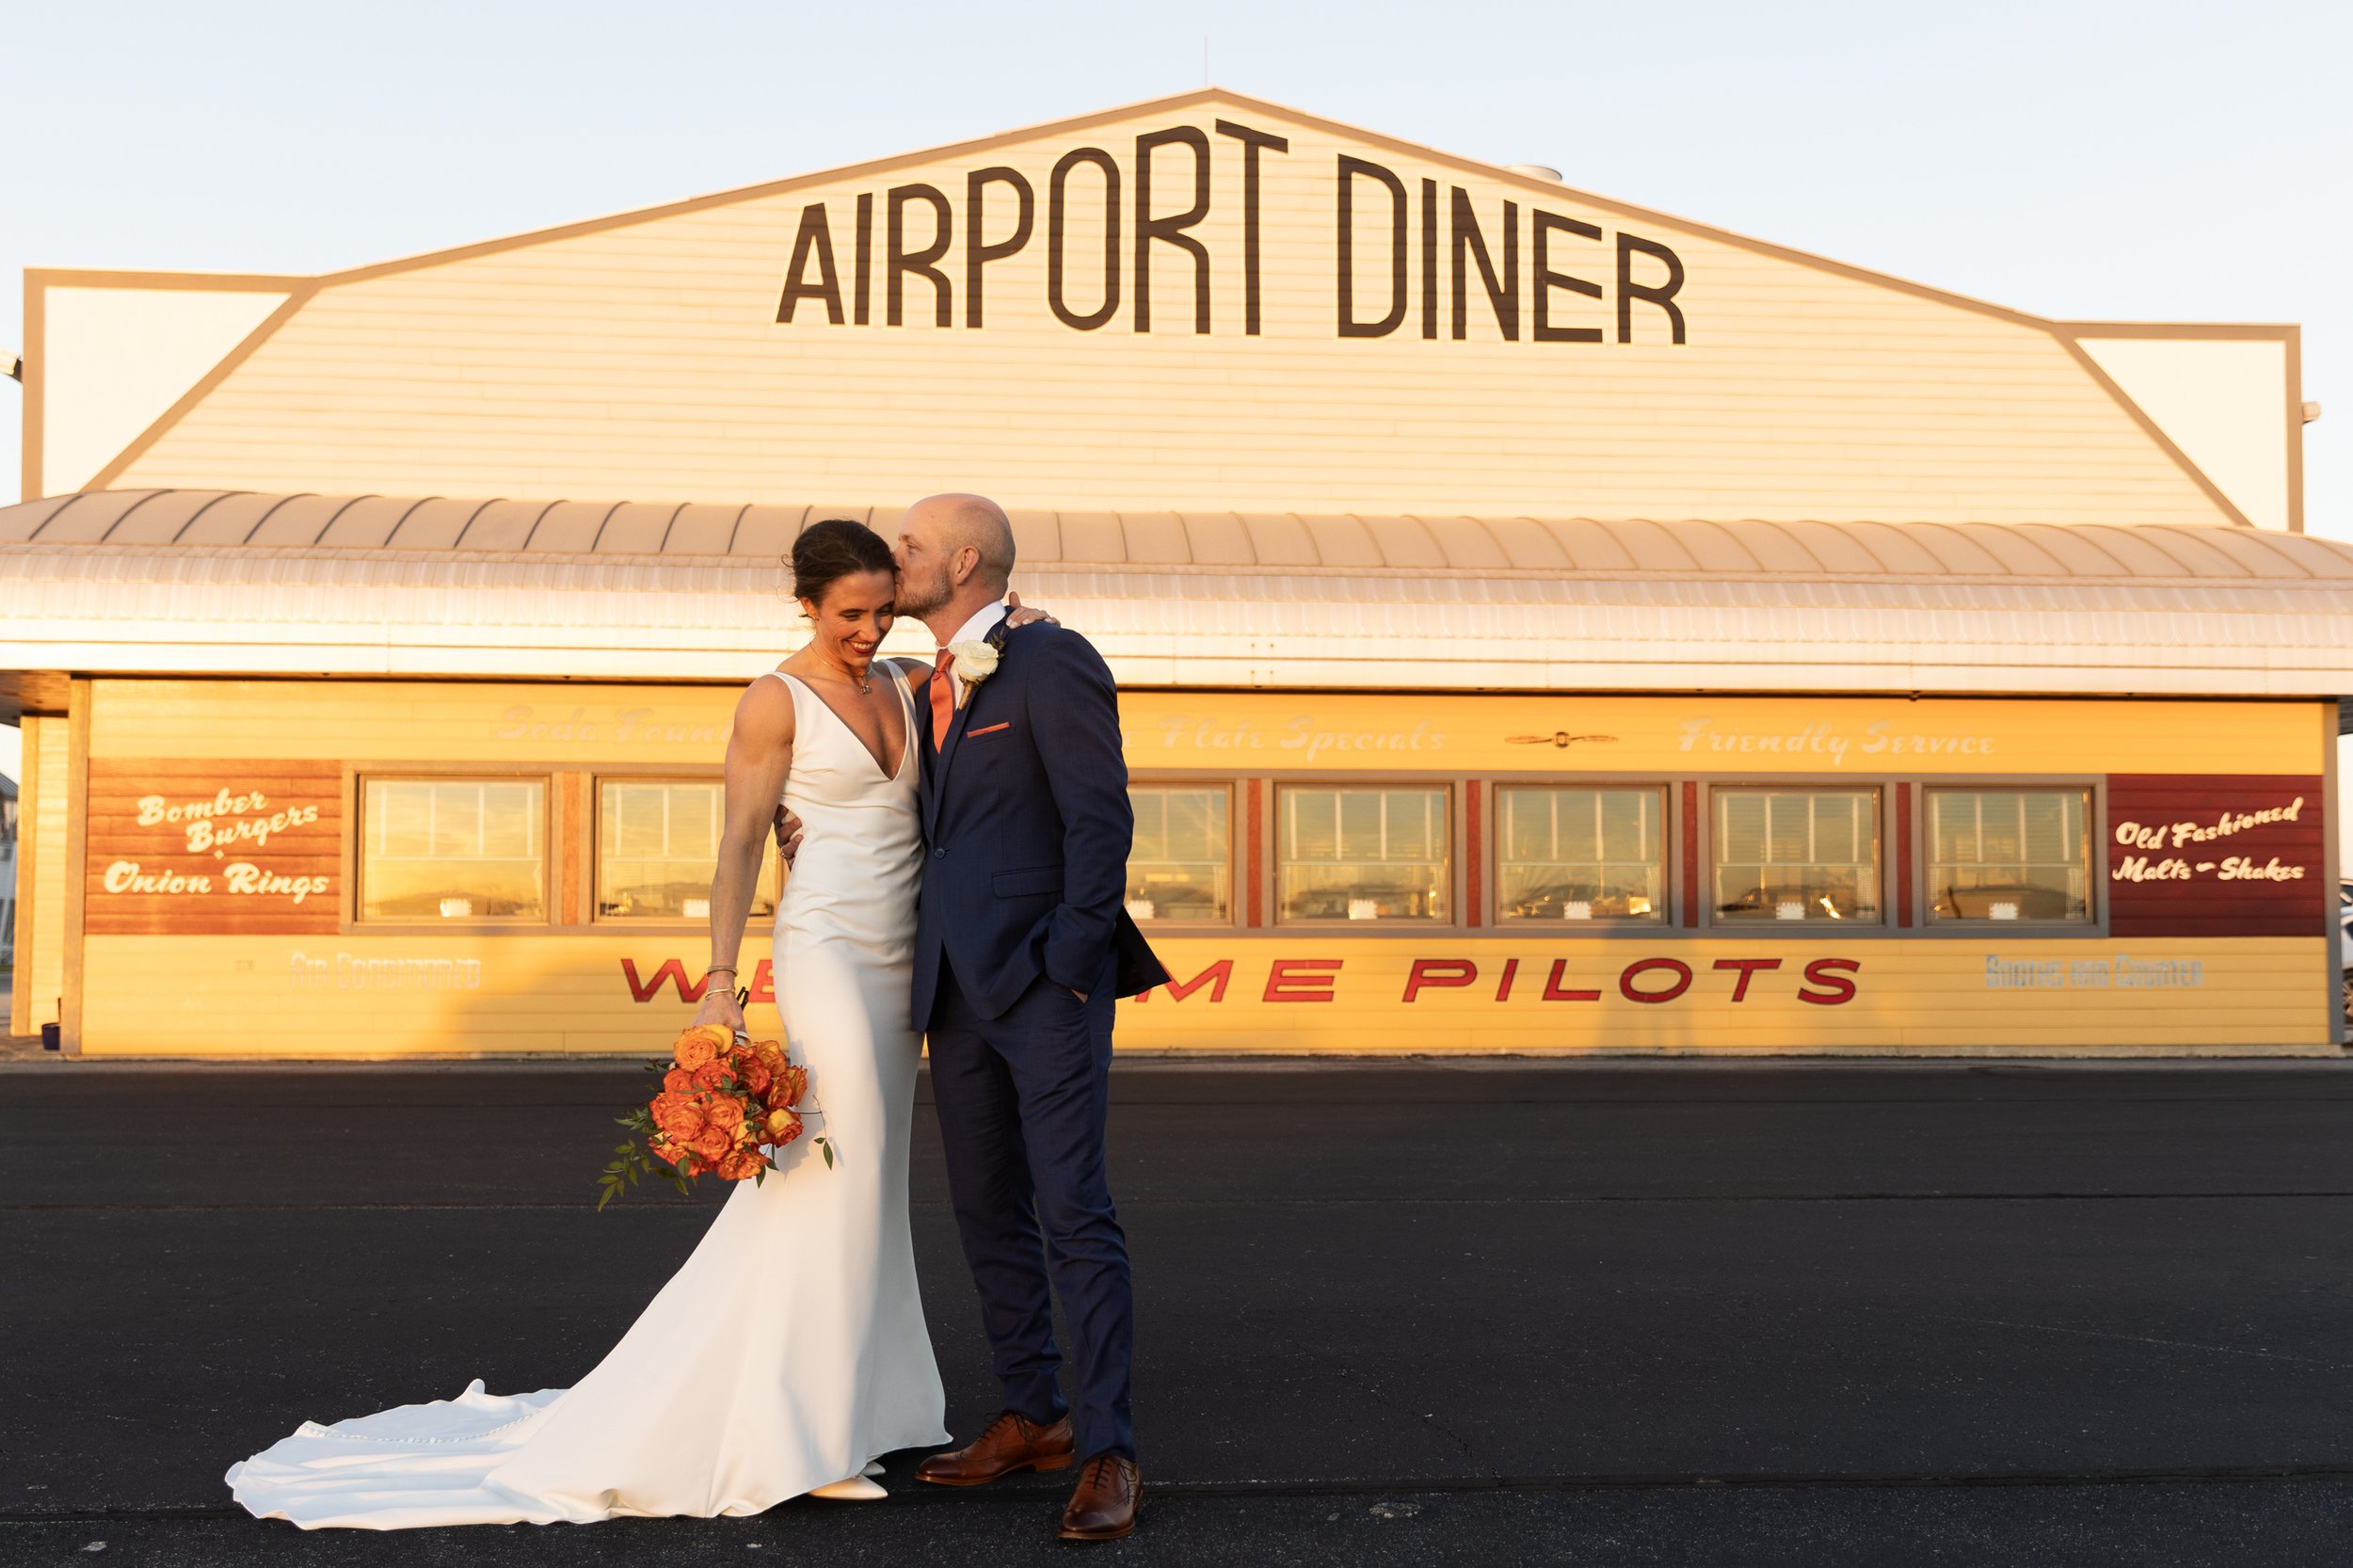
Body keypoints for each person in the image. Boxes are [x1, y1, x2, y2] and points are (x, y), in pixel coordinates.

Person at [224, 519, 1056, 1528]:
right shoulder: (772, 702)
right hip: (827, 954)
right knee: (844, 1163)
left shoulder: (909, 681)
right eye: (849, 614)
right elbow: (740, 845)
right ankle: (791, 1427)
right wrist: (717, 983)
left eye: (883, 610)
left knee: (867, 1186)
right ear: (804, 603)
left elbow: (977, 724)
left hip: (903, 964)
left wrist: (1025, 631)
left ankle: (858, 1402)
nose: (869, 630)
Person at [868, 492, 1167, 1543]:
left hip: (1044, 989)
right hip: (953, 992)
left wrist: (1072, 964)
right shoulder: (922, 682)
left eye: (905, 546)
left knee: (1074, 1215)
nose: (890, 558)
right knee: (987, 1213)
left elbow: (1100, 815)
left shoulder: (1052, 660)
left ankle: (1105, 1449)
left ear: (960, 560)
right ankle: (1033, 1414)